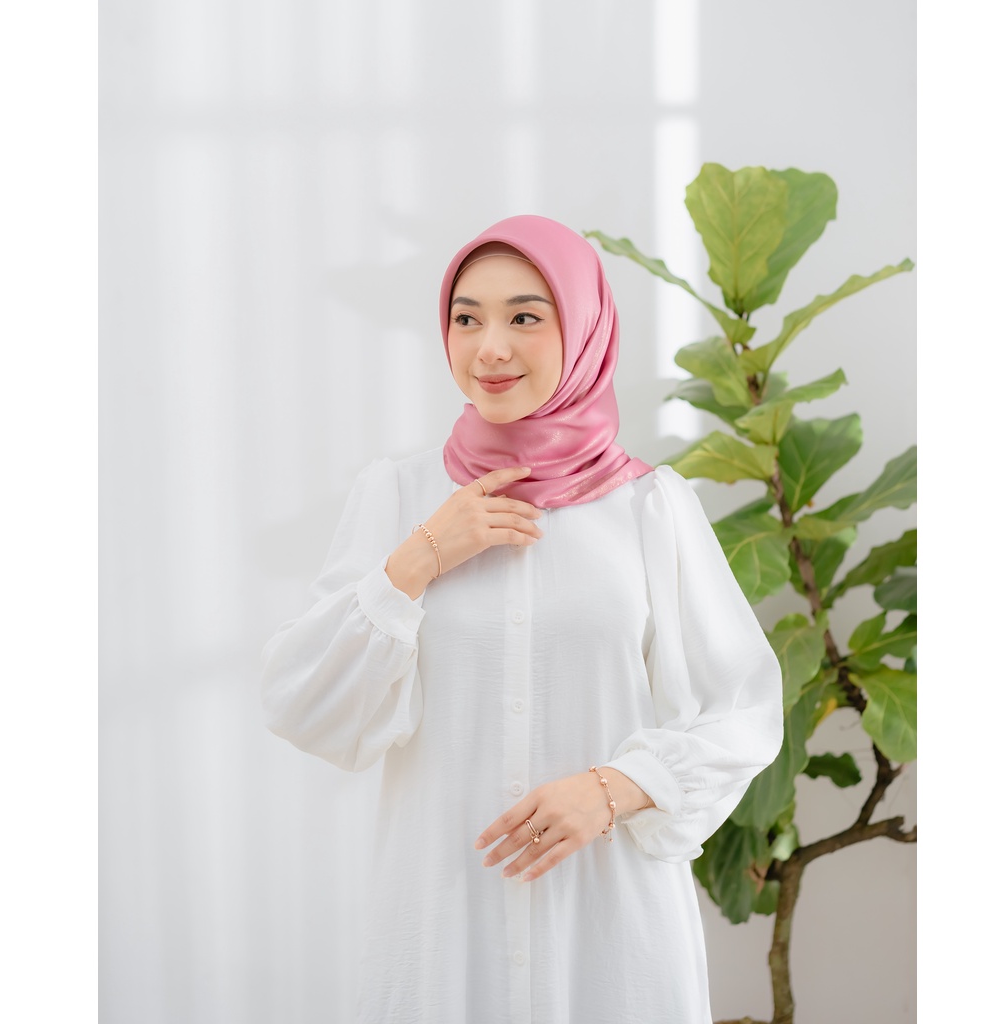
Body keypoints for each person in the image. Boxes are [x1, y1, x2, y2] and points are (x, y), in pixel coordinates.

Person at [261, 214, 783, 1023]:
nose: (490, 348)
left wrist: (616, 788)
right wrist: (419, 559)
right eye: (466, 318)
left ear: (584, 330)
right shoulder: (397, 497)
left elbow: (744, 709)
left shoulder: (651, 507)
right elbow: (307, 705)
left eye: (526, 317)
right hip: (444, 924)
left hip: (609, 926)